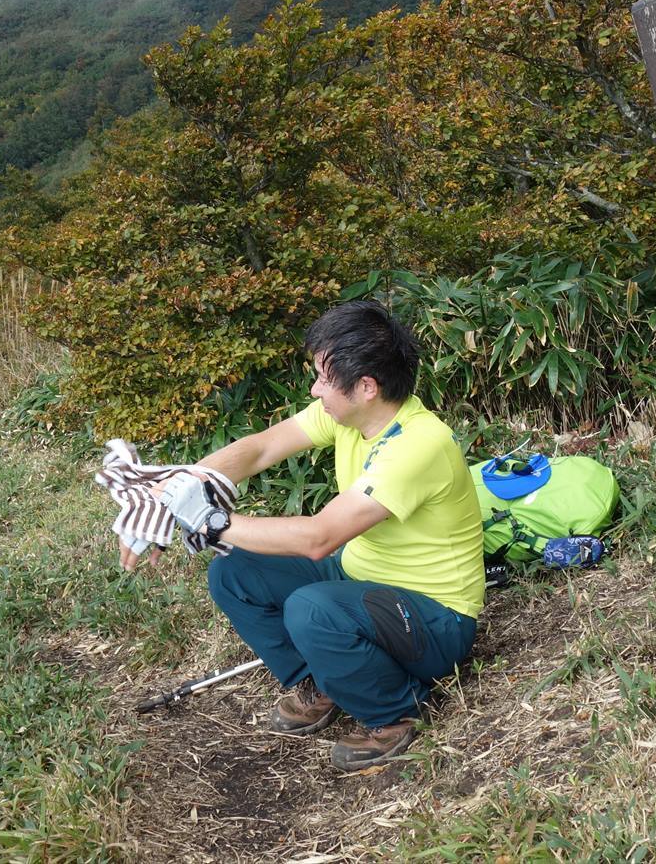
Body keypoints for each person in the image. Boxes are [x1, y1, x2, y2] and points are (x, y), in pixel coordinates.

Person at [128, 301, 484, 771]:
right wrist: (173, 490)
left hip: (436, 621)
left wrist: (213, 523)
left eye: (322, 378)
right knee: (235, 571)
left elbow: (319, 537)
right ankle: (323, 681)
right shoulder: (350, 416)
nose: (315, 389)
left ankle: (394, 712)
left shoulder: (418, 445)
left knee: (310, 608)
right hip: (365, 577)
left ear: (366, 387)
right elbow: (259, 449)